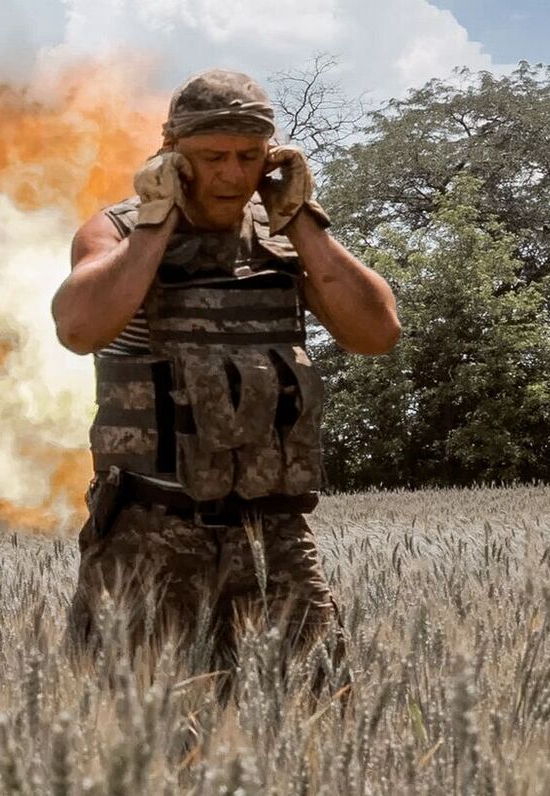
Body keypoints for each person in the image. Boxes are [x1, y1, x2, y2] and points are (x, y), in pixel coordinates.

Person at [51, 69, 400, 685]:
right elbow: (80, 329)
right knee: (138, 734)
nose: (234, 176)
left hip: (274, 532)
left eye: (249, 156)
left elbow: (376, 335)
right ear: (173, 154)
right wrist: (158, 223)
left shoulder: (287, 235)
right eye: (212, 157)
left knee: (314, 715)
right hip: (148, 530)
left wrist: (302, 222)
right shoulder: (120, 232)